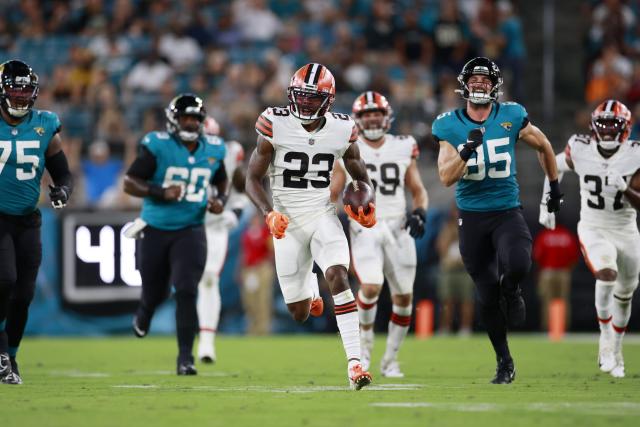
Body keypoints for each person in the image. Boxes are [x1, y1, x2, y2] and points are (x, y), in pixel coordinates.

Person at [245, 63, 375, 390]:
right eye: (300, 97)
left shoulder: (343, 129)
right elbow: (251, 179)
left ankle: (355, 363)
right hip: (285, 223)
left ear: (328, 100)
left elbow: (360, 174)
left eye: (311, 98)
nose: (303, 104)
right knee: (299, 312)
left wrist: (368, 201)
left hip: (321, 213)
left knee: (339, 275)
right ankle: (310, 289)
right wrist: (268, 213)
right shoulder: (274, 122)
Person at [434, 57, 562, 384]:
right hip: (472, 217)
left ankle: (513, 287)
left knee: (518, 262)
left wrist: (555, 184)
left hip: (507, 208)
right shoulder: (448, 125)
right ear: (464, 85)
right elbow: (446, 178)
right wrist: (466, 151)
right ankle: (504, 361)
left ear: (494, 86)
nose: (479, 84)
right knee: (487, 295)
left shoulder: (512, 115)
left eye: (485, 80)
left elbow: (544, 145)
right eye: (474, 80)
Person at [123, 94, 228, 375]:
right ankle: (145, 310)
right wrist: (160, 192)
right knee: (155, 291)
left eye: (196, 118)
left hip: (191, 229)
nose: (191, 122)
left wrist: (220, 200)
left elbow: (221, 179)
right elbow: (130, 182)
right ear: (174, 120)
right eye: (186, 117)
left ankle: (185, 358)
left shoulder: (214, 148)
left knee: (186, 289)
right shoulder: (158, 146)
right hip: (156, 228)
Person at [330, 91, 428, 378]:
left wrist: (420, 211)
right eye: (366, 114)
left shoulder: (403, 145)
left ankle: (391, 360)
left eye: (377, 114)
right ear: (357, 120)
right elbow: (334, 191)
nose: (372, 119)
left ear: (387, 118)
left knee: (404, 297)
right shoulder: (347, 146)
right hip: (365, 226)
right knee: (370, 286)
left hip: (398, 226)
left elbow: (417, 189)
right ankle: (366, 351)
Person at [539, 99, 640, 378]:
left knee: (625, 293)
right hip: (594, 227)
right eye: (603, 125)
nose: (607, 132)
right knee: (606, 274)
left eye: (613, 125)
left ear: (625, 128)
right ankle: (605, 339)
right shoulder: (581, 148)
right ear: (594, 127)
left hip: (626, 230)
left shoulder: (635, 154)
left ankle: (616, 349)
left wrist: (627, 191)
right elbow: (552, 164)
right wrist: (547, 202)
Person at [0, 60, 73, 385]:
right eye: (14, 90)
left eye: (26, 91)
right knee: (5, 280)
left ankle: (11, 357)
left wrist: (63, 190)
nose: (20, 97)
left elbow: (62, 171)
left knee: (24, 294)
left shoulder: (45, 124)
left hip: (28, 219)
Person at [196, 116, 247, 364]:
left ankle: (206, 342)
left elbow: (240, 190)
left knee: (208, 279)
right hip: (184, 225)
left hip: (214, 227)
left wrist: (235, 213)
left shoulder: (229, 154)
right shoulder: (176, 154)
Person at [532, 222, 579, 330]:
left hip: (547, 272)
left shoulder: (544, 235)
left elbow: (537, 257)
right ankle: (563, 328)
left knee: (547, 300)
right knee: (564, 300)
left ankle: (548, 328)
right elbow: (574, 257)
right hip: (564, 272)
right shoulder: (566, 235)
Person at [436, 204, 475, 336]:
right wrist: (452, 232)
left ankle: (465, 329)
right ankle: (445, 328)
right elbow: (441, 247)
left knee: (467, 300)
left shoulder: (469, 228)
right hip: (449, 270)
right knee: (447, 300)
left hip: (465, 270)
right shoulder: (446, 228)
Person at [239, 212, 275, 336]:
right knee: (249, 300)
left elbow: (272, 250)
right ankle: (252, 327)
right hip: (249, 270)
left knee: (263, 299)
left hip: (262, 267)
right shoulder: (247, 234)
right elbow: (244, 253)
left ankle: (263, 328)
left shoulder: (266, 233)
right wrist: (240, 269)